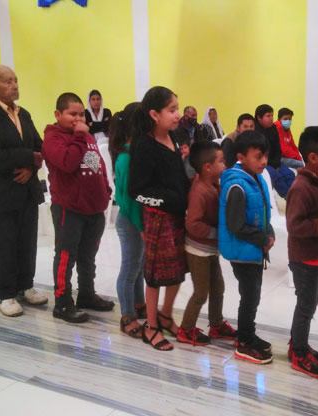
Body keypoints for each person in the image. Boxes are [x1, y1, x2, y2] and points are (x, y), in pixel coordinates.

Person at [0, 65, 47, 317]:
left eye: (15, 80)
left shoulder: (23, 114)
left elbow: (39, 147)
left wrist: (31, 168)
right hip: (2, 192)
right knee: (5, 244)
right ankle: (5, 293)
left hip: (27, 188)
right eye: (7, 81)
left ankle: (26, 285)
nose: (14, 85)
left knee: (27, 242)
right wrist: (28, 158)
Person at [43, 92, 115, 323]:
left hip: (94, 207)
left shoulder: (86, 136)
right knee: (66, 255)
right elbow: (67, 162)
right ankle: (62, 302)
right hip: (69, 208)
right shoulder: (53, 137)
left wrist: (106, 189)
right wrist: (79, 136)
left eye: (81, 114)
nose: (78, 118)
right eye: (72, 114)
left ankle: (86, 294)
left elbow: (98, 164)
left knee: (88, 256)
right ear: (58, 114)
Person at [128, 86, 190, 351]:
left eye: (177, 108)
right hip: (158, 218)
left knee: (177, 270)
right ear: (154, 114)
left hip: (177, 215)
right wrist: (168, 202)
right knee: (155, 274)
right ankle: (151, 326)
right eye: (171, 110)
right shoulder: (144, 145)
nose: (177, 115)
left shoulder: (172, 137)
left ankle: (166, 315)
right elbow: (137, 190)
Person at [285, 126, 318, 379]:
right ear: (313, 157)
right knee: (306, 306)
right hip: (304, 257)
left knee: (309, 303)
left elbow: (316, 211)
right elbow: (295, 225)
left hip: (316, 254)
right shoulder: (301, 187)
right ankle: (298, 353)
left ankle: (298, 343)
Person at [219, 130, 275, 364]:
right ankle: (244, 342)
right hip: (242, 251)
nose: (264, 161)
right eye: (258, 156)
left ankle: (248, 334)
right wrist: (262, 239)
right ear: (241, 157)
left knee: (253, 295)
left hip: (252, 249)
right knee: (250, 297)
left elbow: (261, 212)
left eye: (265, 156)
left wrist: (269, 232)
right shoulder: (237, 186)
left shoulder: (255, 177)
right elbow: (235, 225)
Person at [176, 140, 237, 346]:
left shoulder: (214, 185)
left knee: (218, 288)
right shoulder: (199, 191)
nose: (225, 165)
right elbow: (192, 224)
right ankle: (186, 329)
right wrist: (216, 233)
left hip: (210, 249)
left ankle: (216, 324)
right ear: (207, 167)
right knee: (201, 292)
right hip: (198, 251)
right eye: (221, 161)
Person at [109, 102, 147, 337]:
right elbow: (129, 200)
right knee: (130, 269)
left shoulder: (134, 154)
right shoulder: (126, 158)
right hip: (131, 220)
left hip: (137, 219)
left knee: (139, 265)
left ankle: (139, 303)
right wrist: (141, 227)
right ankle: (126, 316)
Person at [255, 104, 293, 197]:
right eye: (268, 116)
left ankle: (295, 196)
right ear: (259, 118)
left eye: (272, 115)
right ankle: (288, 197)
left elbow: (278, 148)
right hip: (262, 163)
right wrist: (273, 165)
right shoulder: (255, 131)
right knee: (277, 177)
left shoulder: (273, 128)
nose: (271, 118)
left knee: (290, 174)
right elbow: (259, 153)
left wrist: (276, 163)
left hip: (275, 162)